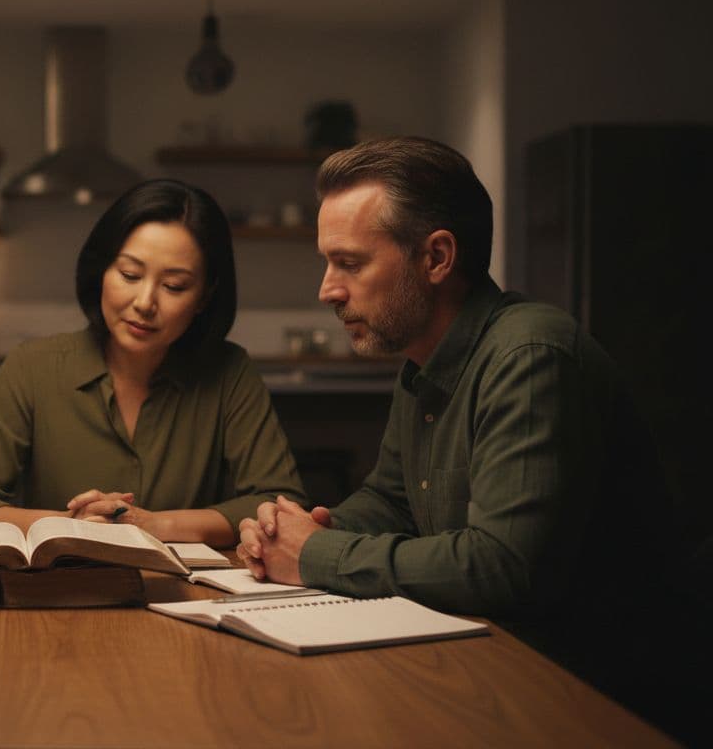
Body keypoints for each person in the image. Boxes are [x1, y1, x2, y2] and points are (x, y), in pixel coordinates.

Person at [237, 136, 700, 739]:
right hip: (496, 662)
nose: (328, 289)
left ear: (436, 257)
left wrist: (315, 556)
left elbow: (503, 567)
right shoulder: (423, 361)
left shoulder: (531, 354)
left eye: (349, 263)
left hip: (594, 695)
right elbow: (392, 499)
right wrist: (294, 534)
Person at [0, 179, 304, 546]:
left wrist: (154, 526)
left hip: (187, 593)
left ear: (204, 297)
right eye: (129, 274)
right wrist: (68, 524)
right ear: (102, 271)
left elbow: (279, 504)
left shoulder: (228, 371)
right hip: (55, 588)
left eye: (174, 286)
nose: (145, 302)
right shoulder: (33, 366)